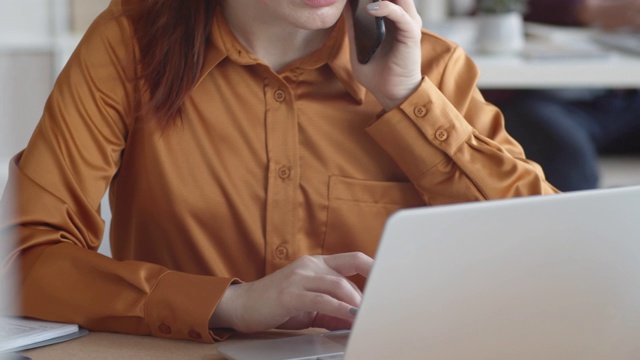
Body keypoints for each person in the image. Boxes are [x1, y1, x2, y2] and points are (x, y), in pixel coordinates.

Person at [0, 0, 557, 343]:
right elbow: (23, 259)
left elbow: (551, 257)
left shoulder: (429, 68)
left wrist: (409, 100)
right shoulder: (128, 46)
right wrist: (230, 304)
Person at [489, 0, 640, 191]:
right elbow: (489, 9)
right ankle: (582, 218)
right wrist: (586, 10)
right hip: (540, 99)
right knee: (567, 159)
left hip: (623, 97)